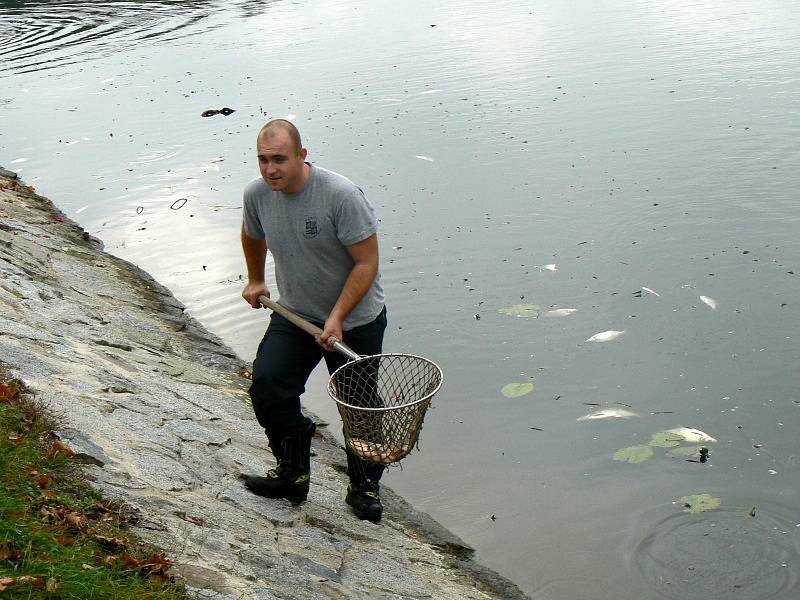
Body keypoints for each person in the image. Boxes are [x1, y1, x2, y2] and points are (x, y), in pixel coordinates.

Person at [240, 119, 387, 522]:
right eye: (263, 160)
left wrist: (338, 317)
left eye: (280, 160)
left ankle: (363, 487)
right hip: (298, 314)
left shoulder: (340, 196)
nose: (271, 170)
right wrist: (256, 278)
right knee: (269, 385)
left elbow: (366, 262)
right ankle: (293, 473)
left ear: (302, 156)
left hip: (355, 320)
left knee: (359, 408)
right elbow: (252, 235)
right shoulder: (257, 195)